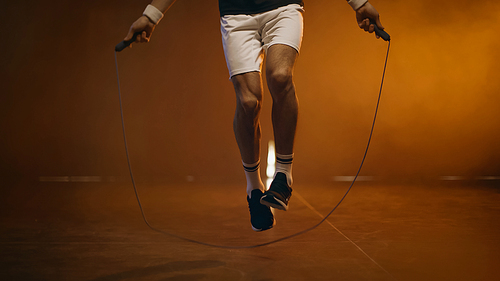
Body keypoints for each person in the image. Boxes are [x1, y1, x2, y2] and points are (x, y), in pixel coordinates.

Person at [123, 0, 385, 232]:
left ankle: (283, 176)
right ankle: (254, 189)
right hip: (236, 17)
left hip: (282, 8)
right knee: (248, 102)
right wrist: (150, 16)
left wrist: (359, 3)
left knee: (280, 76)